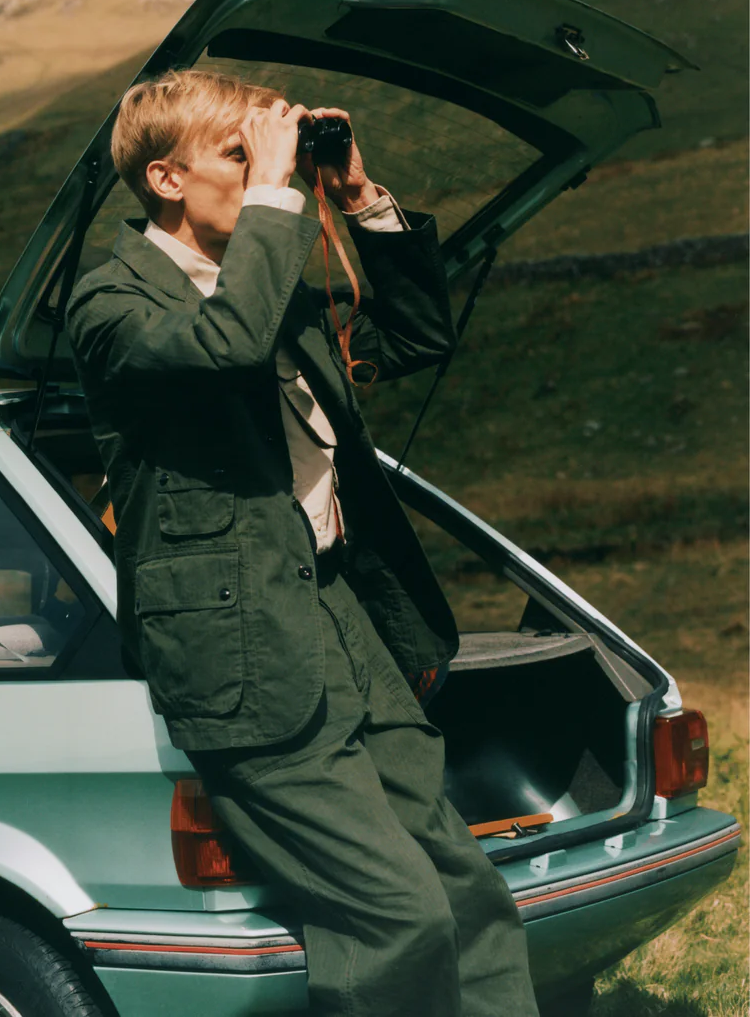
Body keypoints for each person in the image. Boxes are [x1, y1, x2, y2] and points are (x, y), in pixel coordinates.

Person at [66, 69, 538, 1017]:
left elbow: (412, 337)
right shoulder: (112, 304)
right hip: (240, 649)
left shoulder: (271, 271)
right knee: (397, 918)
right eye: (239, 154)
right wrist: (280, 195)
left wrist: (357, 193)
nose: (266, 172)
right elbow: (226, 344)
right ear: (166, 178)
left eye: (268, 152)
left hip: (338, 617)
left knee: (467, 894)